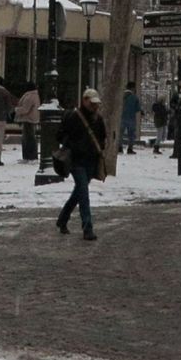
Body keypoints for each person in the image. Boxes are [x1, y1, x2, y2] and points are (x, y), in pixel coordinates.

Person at [56, 88, 108, 241]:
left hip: (91, 161)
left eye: (96, 104)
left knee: (78, 193)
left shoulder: (98, 119)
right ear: (84, 100)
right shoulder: (72, 117)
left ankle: (62, 220)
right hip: (76, 160)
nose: (95, 107)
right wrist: (73, 145)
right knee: (83, 193)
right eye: (92, 104)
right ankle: (87, 227)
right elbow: (59, 135)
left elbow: (102, 138)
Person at [16, 83, 41, 162]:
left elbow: (25, 109)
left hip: (28, 119)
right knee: (31, 137)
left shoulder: (29, 96)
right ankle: (31, 156)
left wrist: (17, 110)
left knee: (27, 139)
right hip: (32, 118)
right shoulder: (35, 95)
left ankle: (29, 156)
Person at [120, 81, 141, 155]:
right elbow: (138, 108)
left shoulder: (121, 96)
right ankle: (130, 148)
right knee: (131, 134)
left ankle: (119, 147)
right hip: (131, 118)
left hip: (121, 117)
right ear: (133, 88)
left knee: (120, 133)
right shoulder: (134, 97)